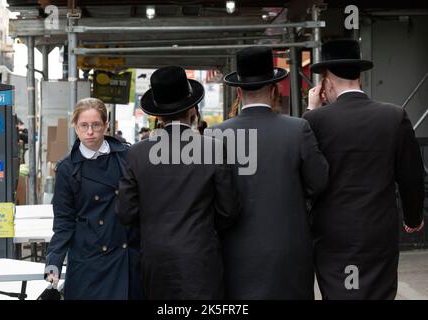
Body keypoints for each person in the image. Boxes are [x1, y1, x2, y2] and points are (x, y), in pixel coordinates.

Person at [304, 39, 425, 299]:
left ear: (327, 81)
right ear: (358, 77)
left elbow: (306, 174)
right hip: (378, 230)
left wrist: (311, 111)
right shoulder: (394, 116)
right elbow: (412, 176)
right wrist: (413, 219)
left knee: (341, 293)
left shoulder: (314, 121)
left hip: (332, 233)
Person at [212, 46, 329, 299]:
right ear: (275, 90)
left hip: (235, 253)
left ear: (239, 92)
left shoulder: (216, 134)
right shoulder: (298, 129)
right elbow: (318, 182)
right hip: (289, 249)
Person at [115, 66, 241, 299]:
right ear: (192, 108)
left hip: (156, 258)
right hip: (201, 256)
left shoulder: (137, 153)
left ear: (158, 115)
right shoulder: (213, 148)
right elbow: (228, 210)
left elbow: (126, 212)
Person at [45, 97, 141, 300]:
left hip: (125, 256)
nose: (90, 132)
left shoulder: (127, 157)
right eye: (84, 125)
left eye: (96, 125)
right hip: (89, 258)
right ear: (75, 126)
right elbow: (64, 220)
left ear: (106, 125)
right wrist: (54, 260)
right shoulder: (67, 168)